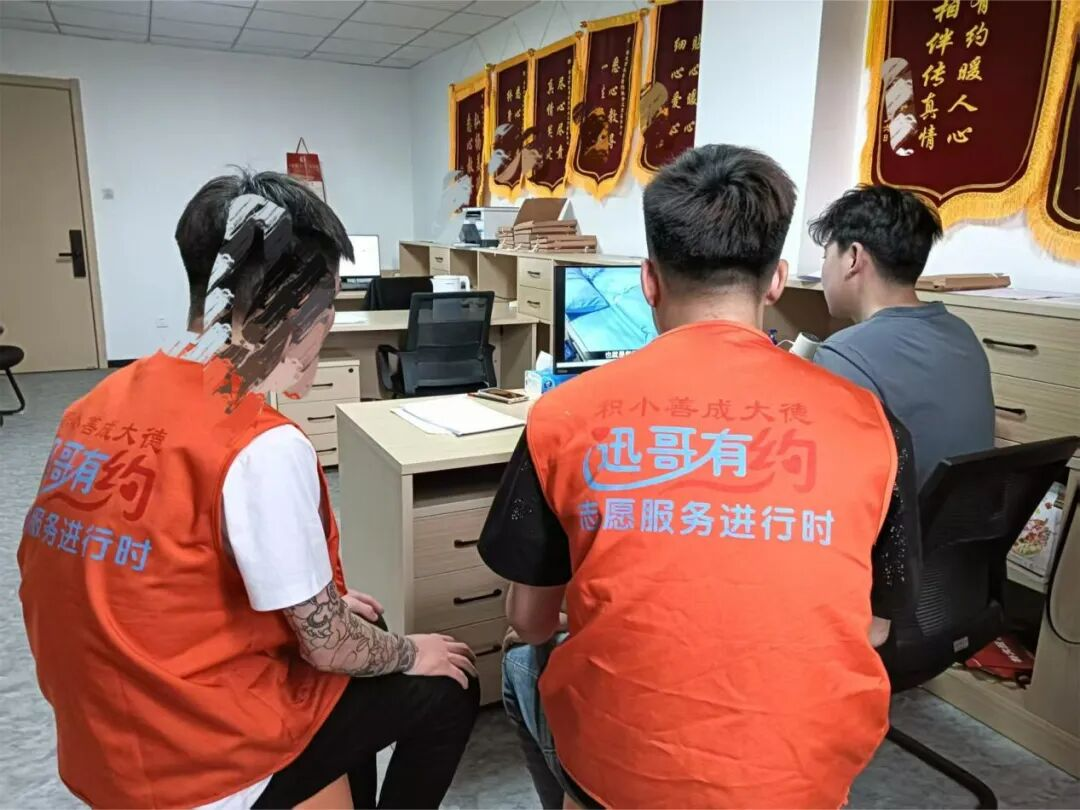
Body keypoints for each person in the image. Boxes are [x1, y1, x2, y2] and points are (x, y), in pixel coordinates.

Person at [18, 170, 479, 809]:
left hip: (103, 735)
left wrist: (329, 607)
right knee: (448, 683)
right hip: (200, 759)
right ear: (303, 311)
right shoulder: (258, 444)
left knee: (357, 625)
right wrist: (408, 651)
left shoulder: (94, 405)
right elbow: (329, 646)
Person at [479, 145, 920, 809]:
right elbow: (875, 629)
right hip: (804, 782)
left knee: (521, 665)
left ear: (648, 281)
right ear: (776, 281)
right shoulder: (873, 425)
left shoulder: (564, 416)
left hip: (623, 779)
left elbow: (532, 621)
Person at [809, 184, 994, 485]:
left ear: (853, 257)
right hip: (960, 514)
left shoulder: (842, 354)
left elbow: (828, 479)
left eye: (825, 256)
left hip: (894, 516)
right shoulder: (962, 333)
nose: (823, 271)